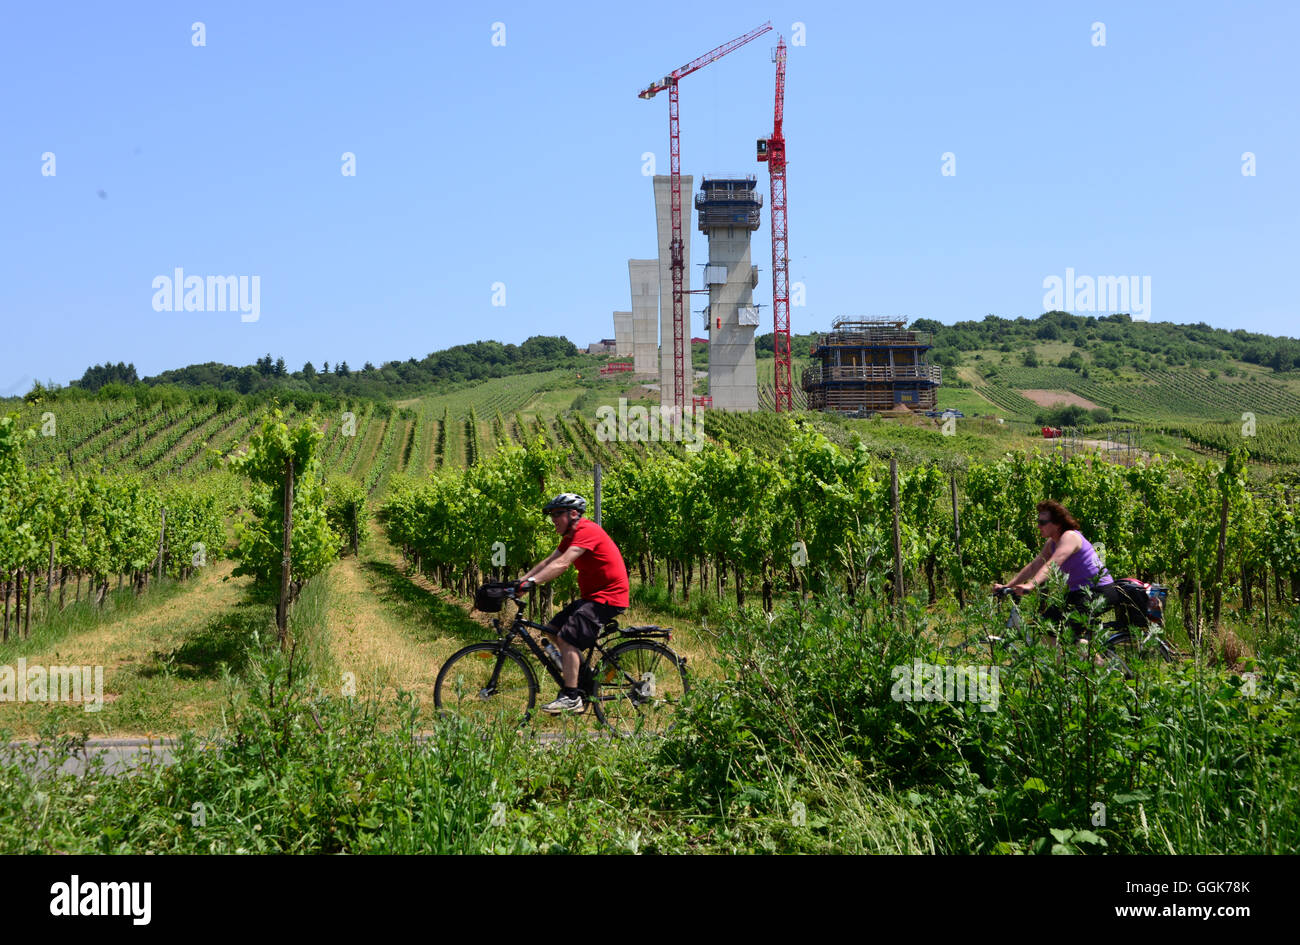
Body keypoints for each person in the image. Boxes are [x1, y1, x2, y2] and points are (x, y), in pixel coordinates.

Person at [516, 493, 629, 714]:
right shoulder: (570, 535)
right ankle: (586, 681)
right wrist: (520, 582)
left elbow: (563, 563)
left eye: (557, 514)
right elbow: (549, 560)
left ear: (573, 514)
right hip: (593, 597)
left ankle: (571, 696)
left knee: (567, 639)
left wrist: (532, 583)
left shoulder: (586, 530)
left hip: (608, 597)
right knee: (552, 630)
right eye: (551, 515)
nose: (553, 519)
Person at [993, 500, 1127, 641]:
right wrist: (1007, 586)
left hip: (1099, 591)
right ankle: (1061, 663)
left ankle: (1098, 662)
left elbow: (1053, 564)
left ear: (1057, 523)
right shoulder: (1052, 543)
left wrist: (1031, 585)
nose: (1038, 526)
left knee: (1067, 635)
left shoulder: (1070, 537)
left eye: (1042, 522)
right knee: (1045, 628)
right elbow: (1034, 566)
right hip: (1078, 593)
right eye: (1038, 522)